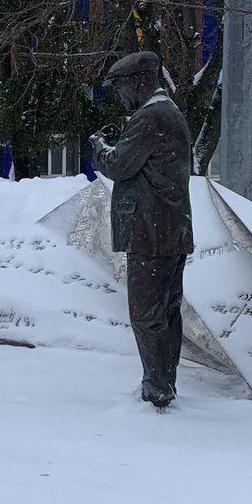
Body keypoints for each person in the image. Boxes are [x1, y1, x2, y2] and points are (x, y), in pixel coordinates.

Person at [89, 51, 193, 408]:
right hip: (171, 229)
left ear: (136, 81)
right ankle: (164, 382)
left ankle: (157, 388)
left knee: (146, 314)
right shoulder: (168, 113)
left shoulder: (150, 116)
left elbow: (118, 166)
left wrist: (100, 147)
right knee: (165, 311)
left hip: (152, 231)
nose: (118, 96)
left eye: (119, 88)